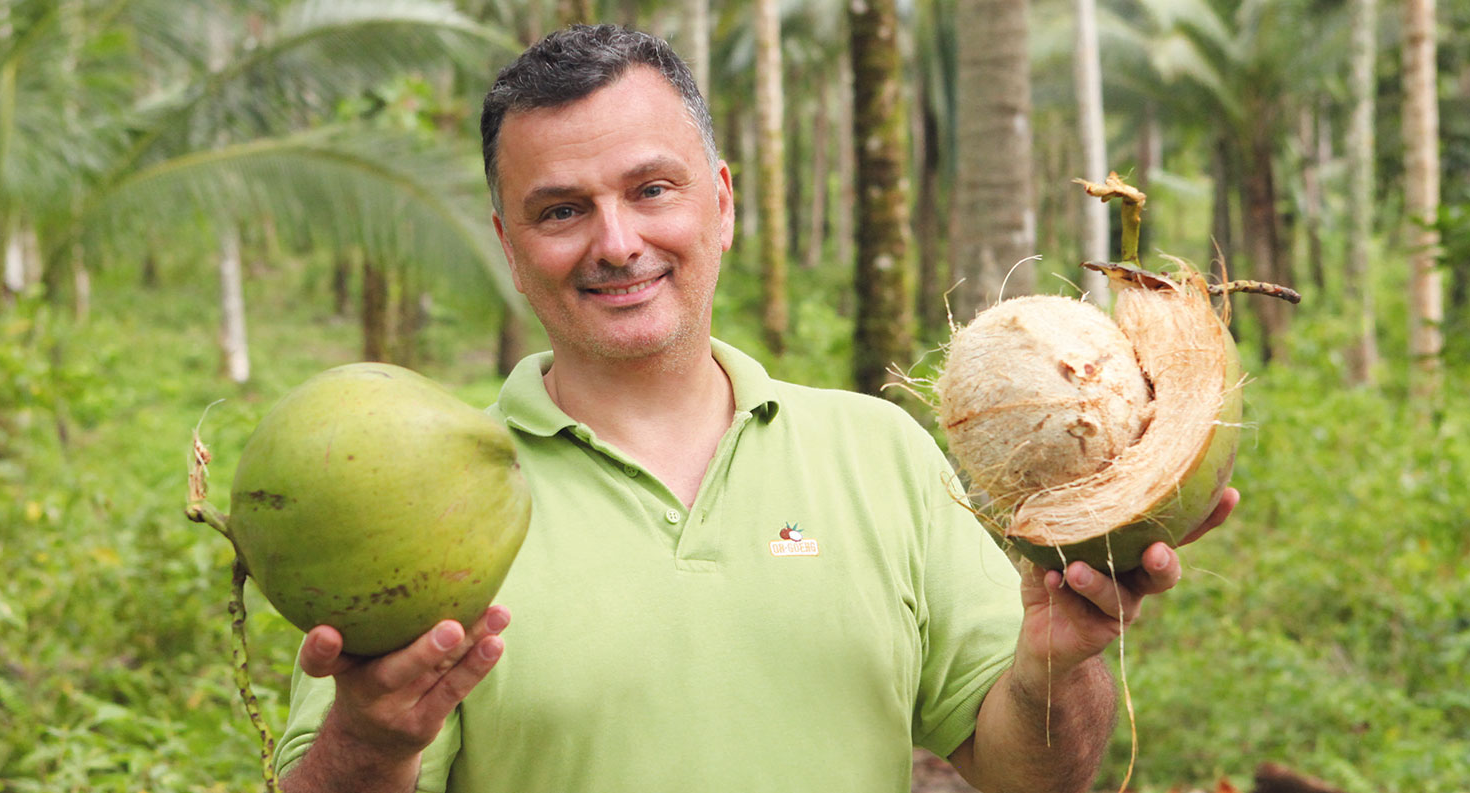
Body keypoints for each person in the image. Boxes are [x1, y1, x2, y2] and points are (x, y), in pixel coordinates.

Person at [274, 24, 1236, 793]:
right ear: (510, 243)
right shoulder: (421, 501)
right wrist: (367, 739)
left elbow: (1033, 775)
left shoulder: (882, 453)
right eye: (560, 210)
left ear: (722, 204)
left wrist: (1058, 664)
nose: (617, 242)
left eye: (653, 189)